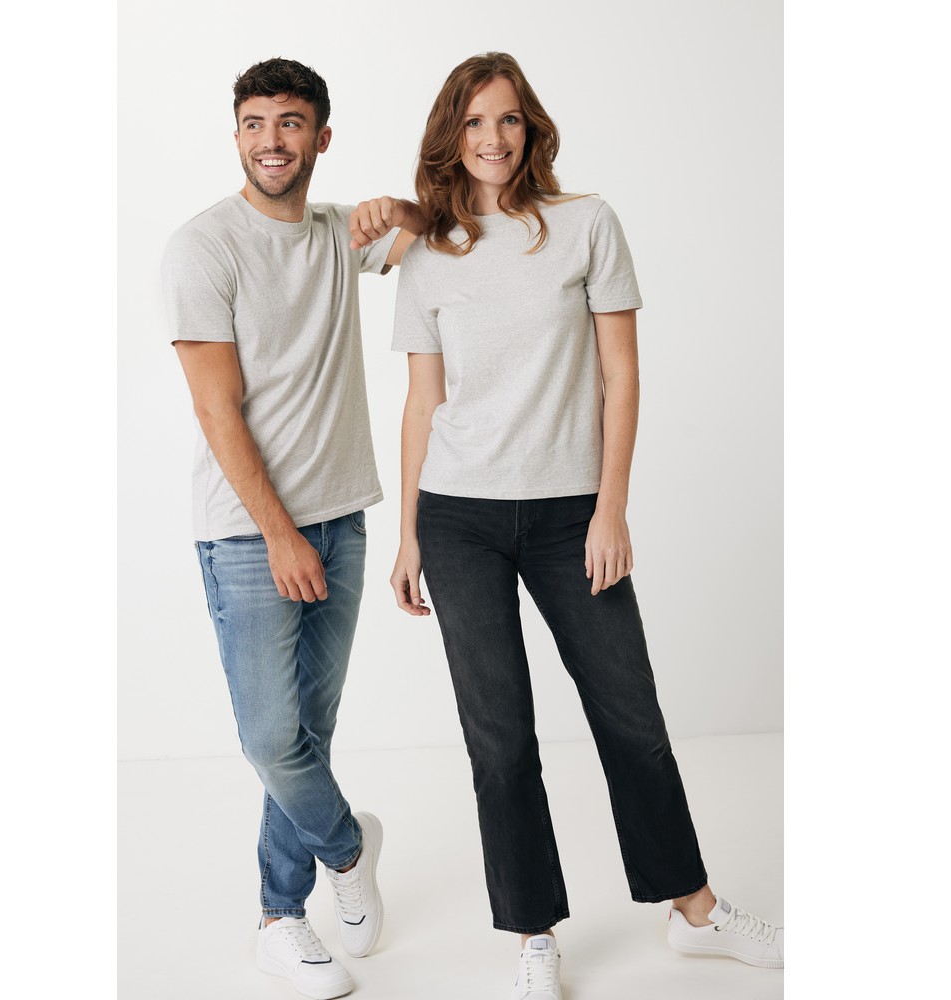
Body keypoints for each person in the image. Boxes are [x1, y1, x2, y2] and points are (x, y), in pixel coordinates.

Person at [388, 52, 783, 1000]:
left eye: (508, 119)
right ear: (451, 136)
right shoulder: (428, 252)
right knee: (500, 739)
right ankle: (534, 933)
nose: (493, 138)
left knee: (630, 717)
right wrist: (408, 535)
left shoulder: (587, 224)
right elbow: (422, 403)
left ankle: (693, 910)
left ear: (531, 128)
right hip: (459, 518)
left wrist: (612, 507)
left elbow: (621, 373)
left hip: (573, 514)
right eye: (474, 122)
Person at [161, 57, 421, 1000]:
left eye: (291, 122)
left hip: (342, 519)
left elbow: (437, 239)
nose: (271, 140)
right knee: (273, 739)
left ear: (321, 137)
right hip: (248, 535)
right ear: (237, 135)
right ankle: (347, 849)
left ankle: (280, 917)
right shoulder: (204, 247)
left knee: (310, 728)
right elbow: (216, 408)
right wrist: (277, 533)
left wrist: (403, 208)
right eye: (255, 123)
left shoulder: (338, 233)